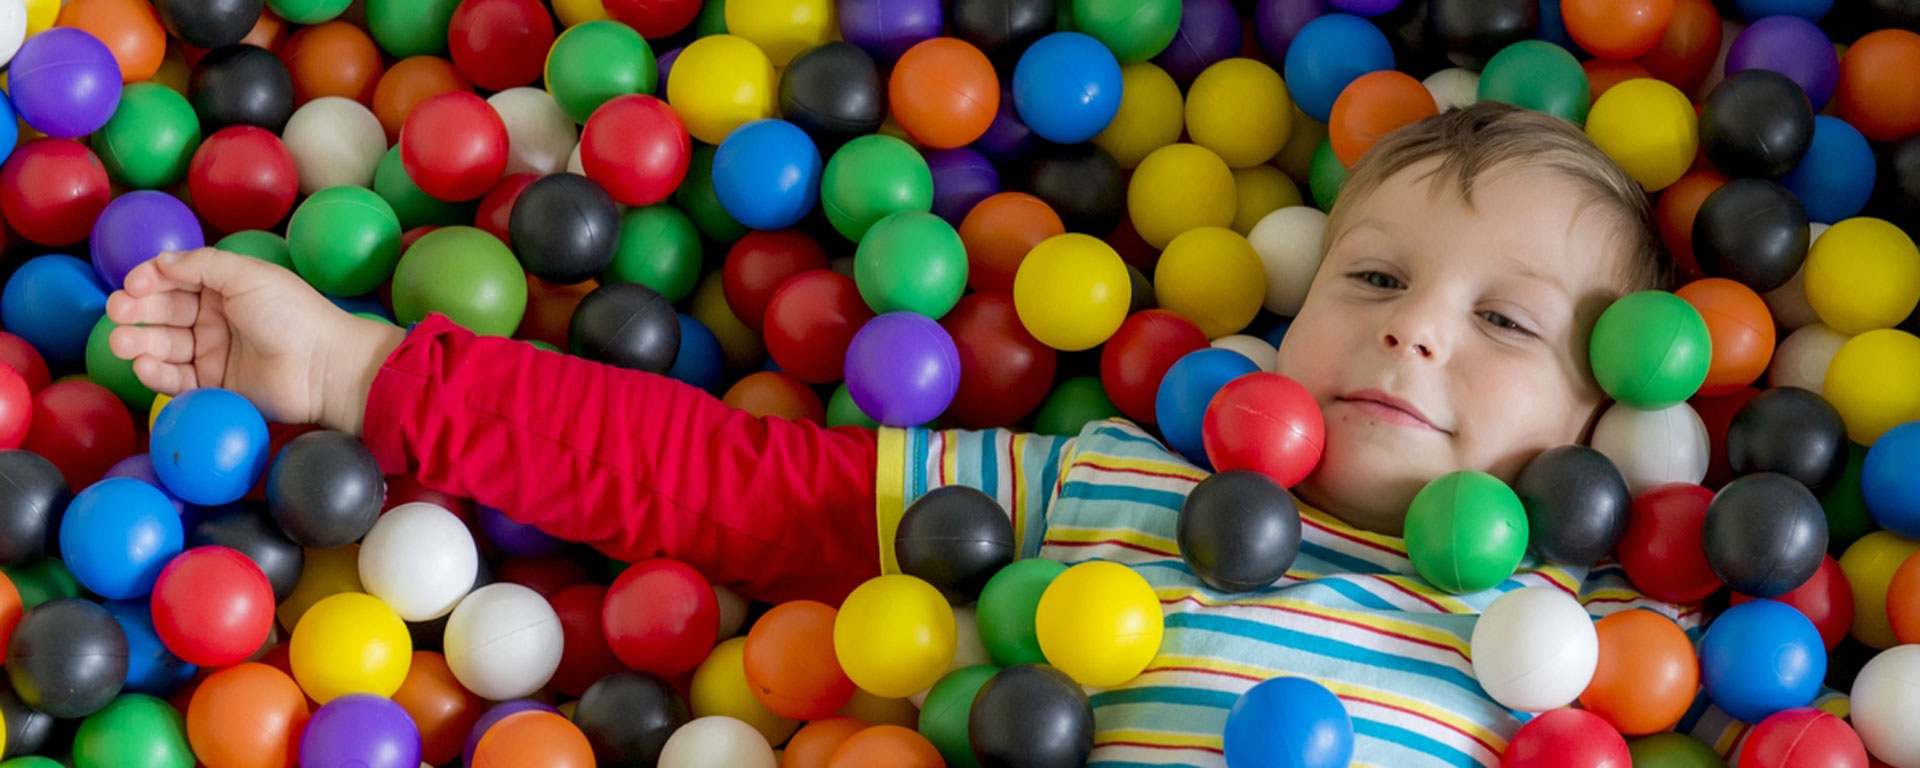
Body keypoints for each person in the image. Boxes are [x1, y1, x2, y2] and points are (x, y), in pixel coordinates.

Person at [105, 103, 1782, 765]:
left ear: (1600, 420)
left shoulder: (1607, 652)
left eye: (1501, 323)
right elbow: (734, 488)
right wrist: (360, 374)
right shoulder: (1113, 485)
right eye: (1374, 273)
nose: (1414, 324)